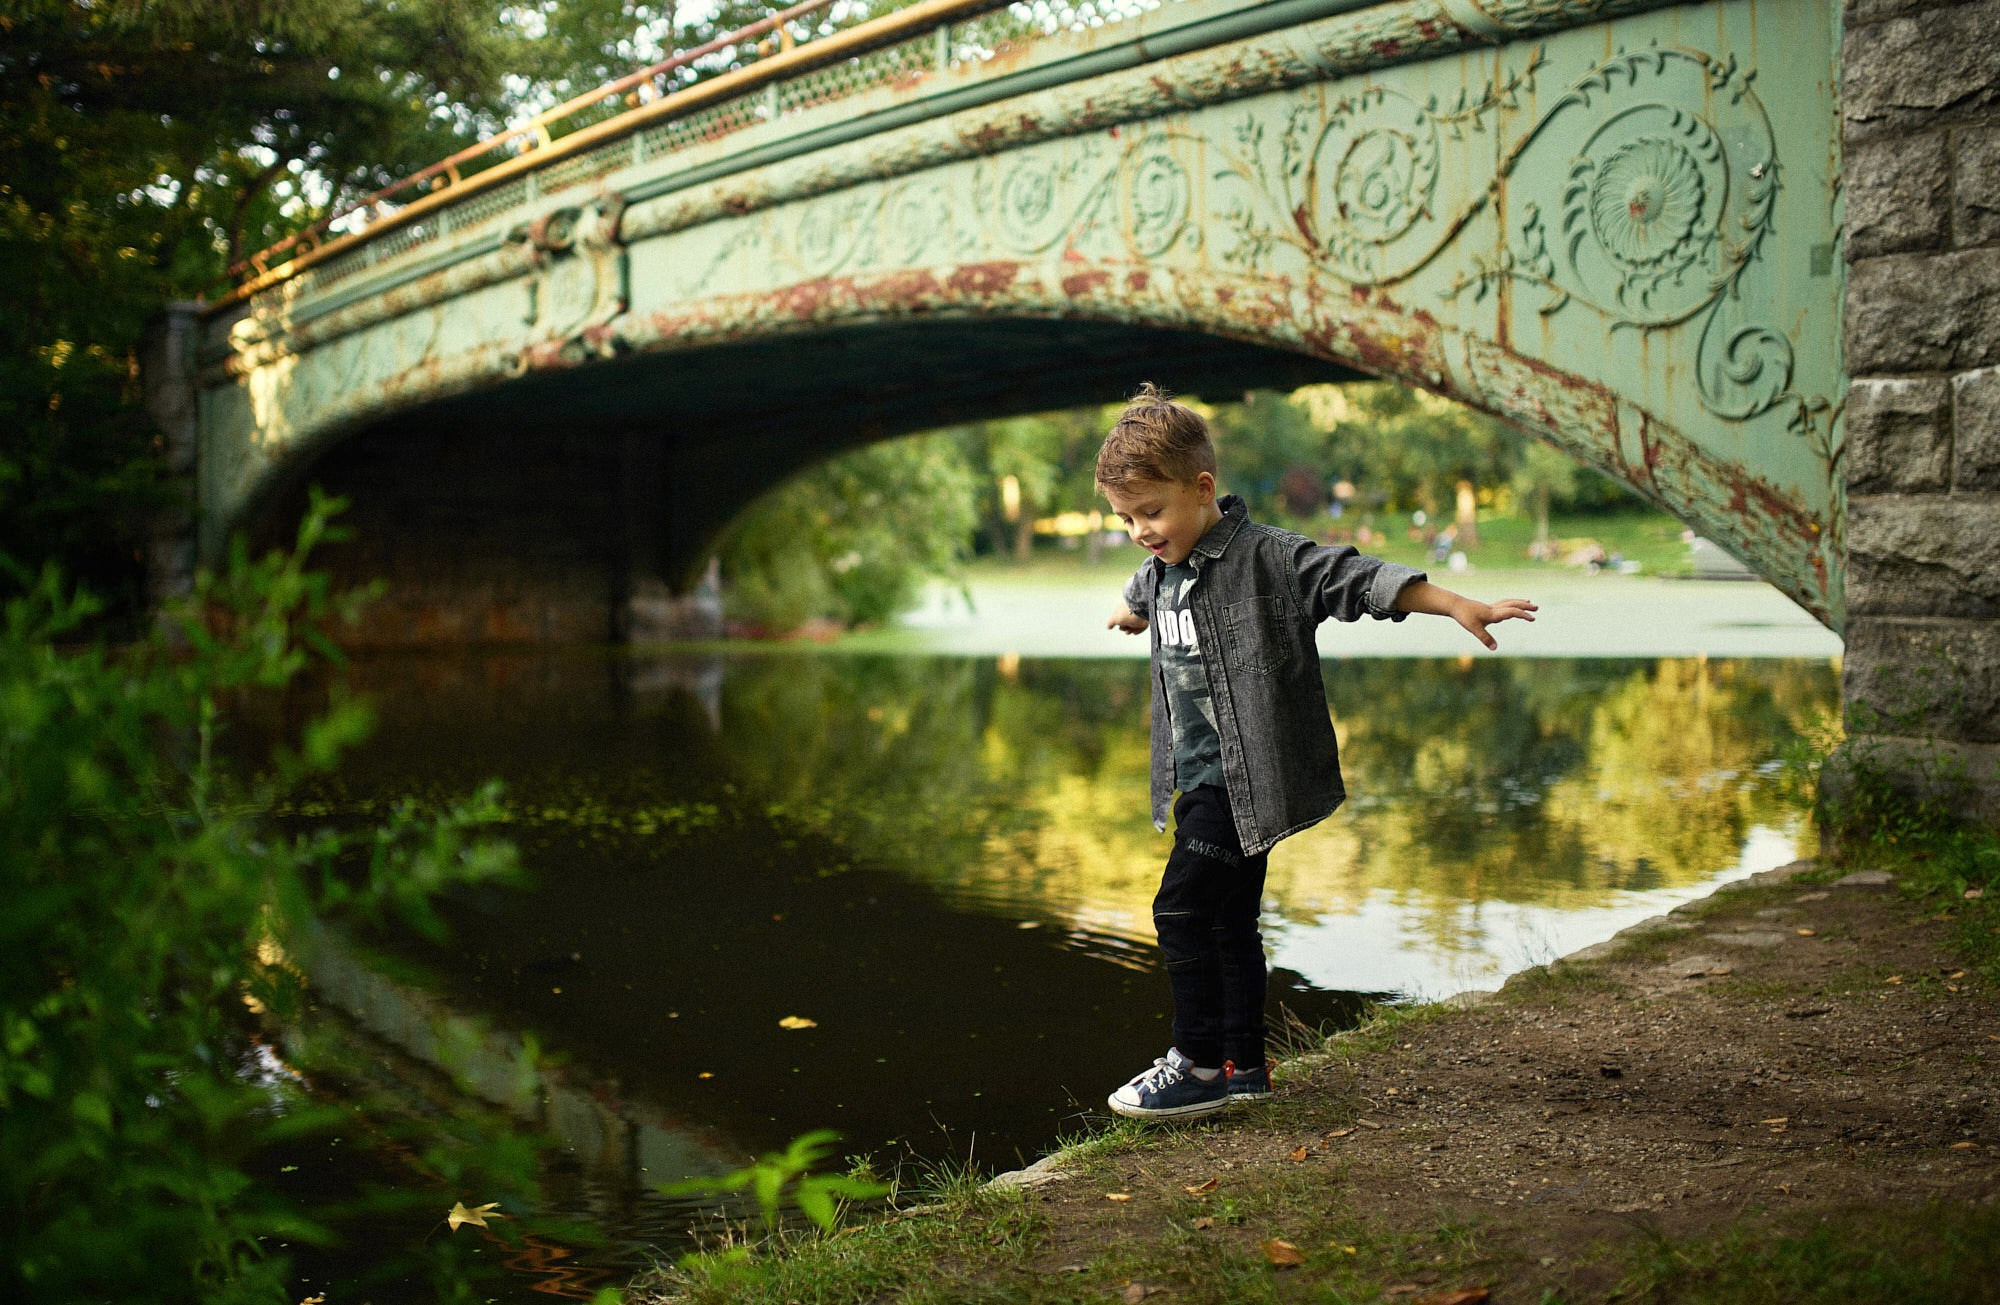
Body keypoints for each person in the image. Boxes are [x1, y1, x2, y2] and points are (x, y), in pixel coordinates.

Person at [1096, 385, 1537, 1120]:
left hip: (1244, 785)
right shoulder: (1164, 566)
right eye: (1125, 518)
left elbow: (1355, 579)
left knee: (1178, 909)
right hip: (1196, 778)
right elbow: (1149, 583)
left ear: (1202, 489)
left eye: (1151, 512)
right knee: (1230, 921)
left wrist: (1454, 601)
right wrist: (1131, 607)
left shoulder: (1268, 558)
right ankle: (1243, 1067)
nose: (1141, 530)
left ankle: (1197, 1061)